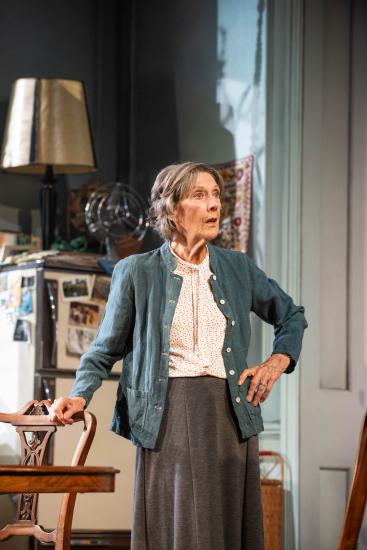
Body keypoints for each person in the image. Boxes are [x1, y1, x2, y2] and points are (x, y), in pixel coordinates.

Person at [49, 161, 308, 550]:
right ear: (171, 209)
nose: (214, 205)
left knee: (230, 533)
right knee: (181, 530)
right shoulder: (136, 271)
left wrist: (276, 362)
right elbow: (104, 350)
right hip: (168, 417)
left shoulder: (238, 268)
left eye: (217, 195)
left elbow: (291, 317)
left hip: (232, 416)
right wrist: (80, 395)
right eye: (200, 196)